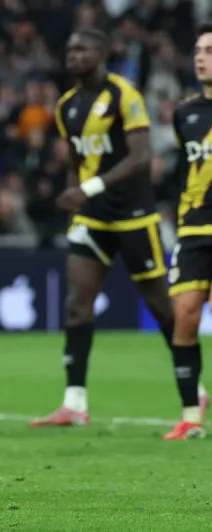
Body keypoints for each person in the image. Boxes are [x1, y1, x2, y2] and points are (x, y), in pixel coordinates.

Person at [30, 29, 179, 428]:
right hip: (92, 217)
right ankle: (74, 402)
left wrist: (87, 188)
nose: (73, 54)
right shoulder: (66, 107)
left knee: (159, 304)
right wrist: (74, 207)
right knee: (77, 303)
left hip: (134, 215)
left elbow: (141, 156)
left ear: (102, 53)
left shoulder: (123, 94)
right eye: (70, 48)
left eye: (82, 48)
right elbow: (77, 166)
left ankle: (191, 383)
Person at [163, 22, 212, 440]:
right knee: (184, 318)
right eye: (198, 49)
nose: (200, 56)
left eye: (209, 50)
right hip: (193, 229)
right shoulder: (186, 112)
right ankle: (191, 417)